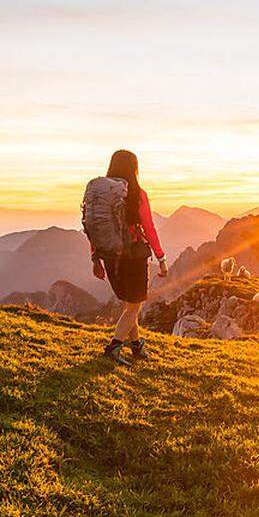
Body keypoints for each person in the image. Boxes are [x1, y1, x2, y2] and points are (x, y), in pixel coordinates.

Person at [90, 150, 168, 365]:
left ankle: (136, 345)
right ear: (134, 168)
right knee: (134, 306)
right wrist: (160, 257)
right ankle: (114, 348)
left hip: (109, 256)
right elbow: (149, 227)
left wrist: (95, 258)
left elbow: (94, 227)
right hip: (133, 256)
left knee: (129, 304)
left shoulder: (101, 195)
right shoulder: (135, 193)